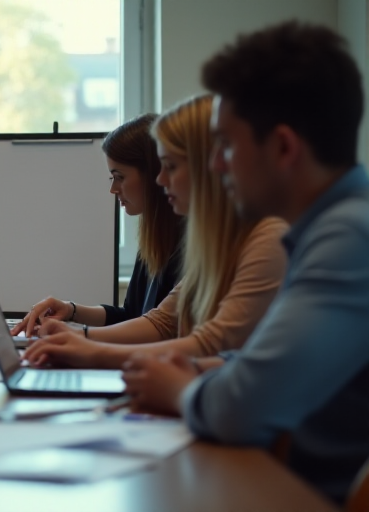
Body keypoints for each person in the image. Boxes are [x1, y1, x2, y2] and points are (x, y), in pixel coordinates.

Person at [121, 22, 369, 504]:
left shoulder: (346, 238)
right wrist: (204, 369)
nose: (216, 165)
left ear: (283, 148)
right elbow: (278, 361)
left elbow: (241, 409)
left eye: (227, 145)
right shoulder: (328, 228)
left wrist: (178, 390)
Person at [22, 95, 288, 369]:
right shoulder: (217, 242)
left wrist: (88, 347)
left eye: (170, 166)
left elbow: (210, 344)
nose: (160, 179)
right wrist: (78, 333)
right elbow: (162, 322)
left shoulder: (266, 238)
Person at [12, 114, 184, 336]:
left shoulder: (188, 243)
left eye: (119, 177)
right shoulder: (154, 236)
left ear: (152, 174)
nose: (113, 189)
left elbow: (158, 330)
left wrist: (77, 336)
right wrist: (70, 310)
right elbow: (130, 315)